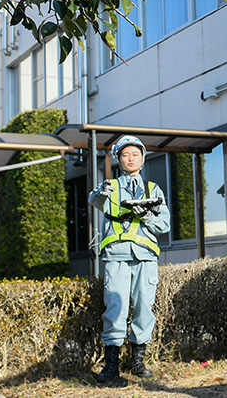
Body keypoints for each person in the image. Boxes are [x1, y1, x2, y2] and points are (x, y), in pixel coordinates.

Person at [88, 135, 171, 383]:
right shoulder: (110, 186)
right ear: (119, 159)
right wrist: (101, 192)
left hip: (145, 255)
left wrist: (146, 215)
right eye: (126, 154)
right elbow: (95, 201)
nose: (131, 158)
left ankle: (137, 361)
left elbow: (164, 223)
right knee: (116, 306)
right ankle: (111, 365)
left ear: (143, 159)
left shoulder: (153, 189)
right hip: (117, 254)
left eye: (135, 154)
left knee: (145, 307)